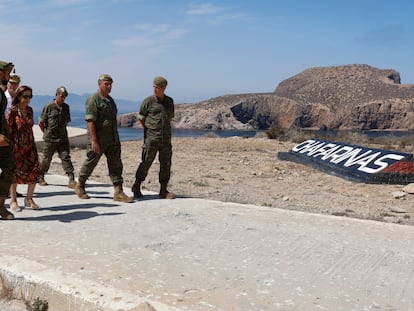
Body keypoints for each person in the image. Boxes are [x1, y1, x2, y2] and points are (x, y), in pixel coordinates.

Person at [74, 74, 133, 203]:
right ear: (99, 84)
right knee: (91, 162)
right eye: (106, 83)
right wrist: (94, 141)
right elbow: (90, 121)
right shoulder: (94, 99)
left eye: (110, 84)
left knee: (116, 165)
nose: (109, 86)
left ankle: (118, 191)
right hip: (99, 139)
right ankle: (80, 185)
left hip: (112, 139)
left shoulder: (110, 101)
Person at [131, 76, 175, 199]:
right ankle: (137, 185)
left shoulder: (169, 101)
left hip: (165, 139)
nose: (155, 89)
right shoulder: (148, 101)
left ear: (163, 88)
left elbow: (169, 117)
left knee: (166, 164)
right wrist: (149, 130)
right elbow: (141, 118)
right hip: (152, 138)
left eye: (157, 87)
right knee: (146, 162)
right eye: (154, 87)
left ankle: (163, 190)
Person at [7, 85, 43, 211]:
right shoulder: (12, 111)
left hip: (30, 145)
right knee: (14, 173)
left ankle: (29, 199)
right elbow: (8, 130)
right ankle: (13, 200)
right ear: (19, 96)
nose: (28, 99)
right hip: (16, 146)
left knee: (34, 171)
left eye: (30, 96)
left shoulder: (30, 110)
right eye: (25, 96)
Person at [38, 86, 77, 188]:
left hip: (62, 139)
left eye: (64, 97)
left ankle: (71, 178)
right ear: (56, 95)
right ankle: (41, 176)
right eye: (61, 96)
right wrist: (46, 133)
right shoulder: (49, 107)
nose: (63, 98)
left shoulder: (66, 107)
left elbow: (66, 121)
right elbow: (41, 122)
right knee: (46, 159)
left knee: (66, 158)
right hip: (50, 139)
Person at [0, 60, 16, 220]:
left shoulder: (0, 92)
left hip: (4, 138)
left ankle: (0, 205)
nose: (9, 76)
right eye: (7, 73)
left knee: (9, 168)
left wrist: (7, 128)